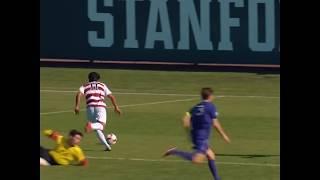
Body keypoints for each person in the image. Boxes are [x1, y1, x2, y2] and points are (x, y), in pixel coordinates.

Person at [163, 87, 231, 180]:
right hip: (202, 137)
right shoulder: (211, 106)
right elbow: (215, 123)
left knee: (211, 155)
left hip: (195, 134)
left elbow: (185, 118)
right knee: (197, 160)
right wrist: (223, 135)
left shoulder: (196, 106)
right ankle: (174, 151)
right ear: (210, 96)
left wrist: (188, 129)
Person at [74, 72, 121, 151]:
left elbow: (79, 94)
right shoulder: (102, 85)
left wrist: (77, 106)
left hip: (90, 108)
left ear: (89, 78)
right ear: (98, 79)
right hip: (100, 106)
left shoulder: (85, 85)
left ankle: (107, 146)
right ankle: (91, 126)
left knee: (97, 129)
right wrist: (116, 107)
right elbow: (111, 96)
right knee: (101, 126)